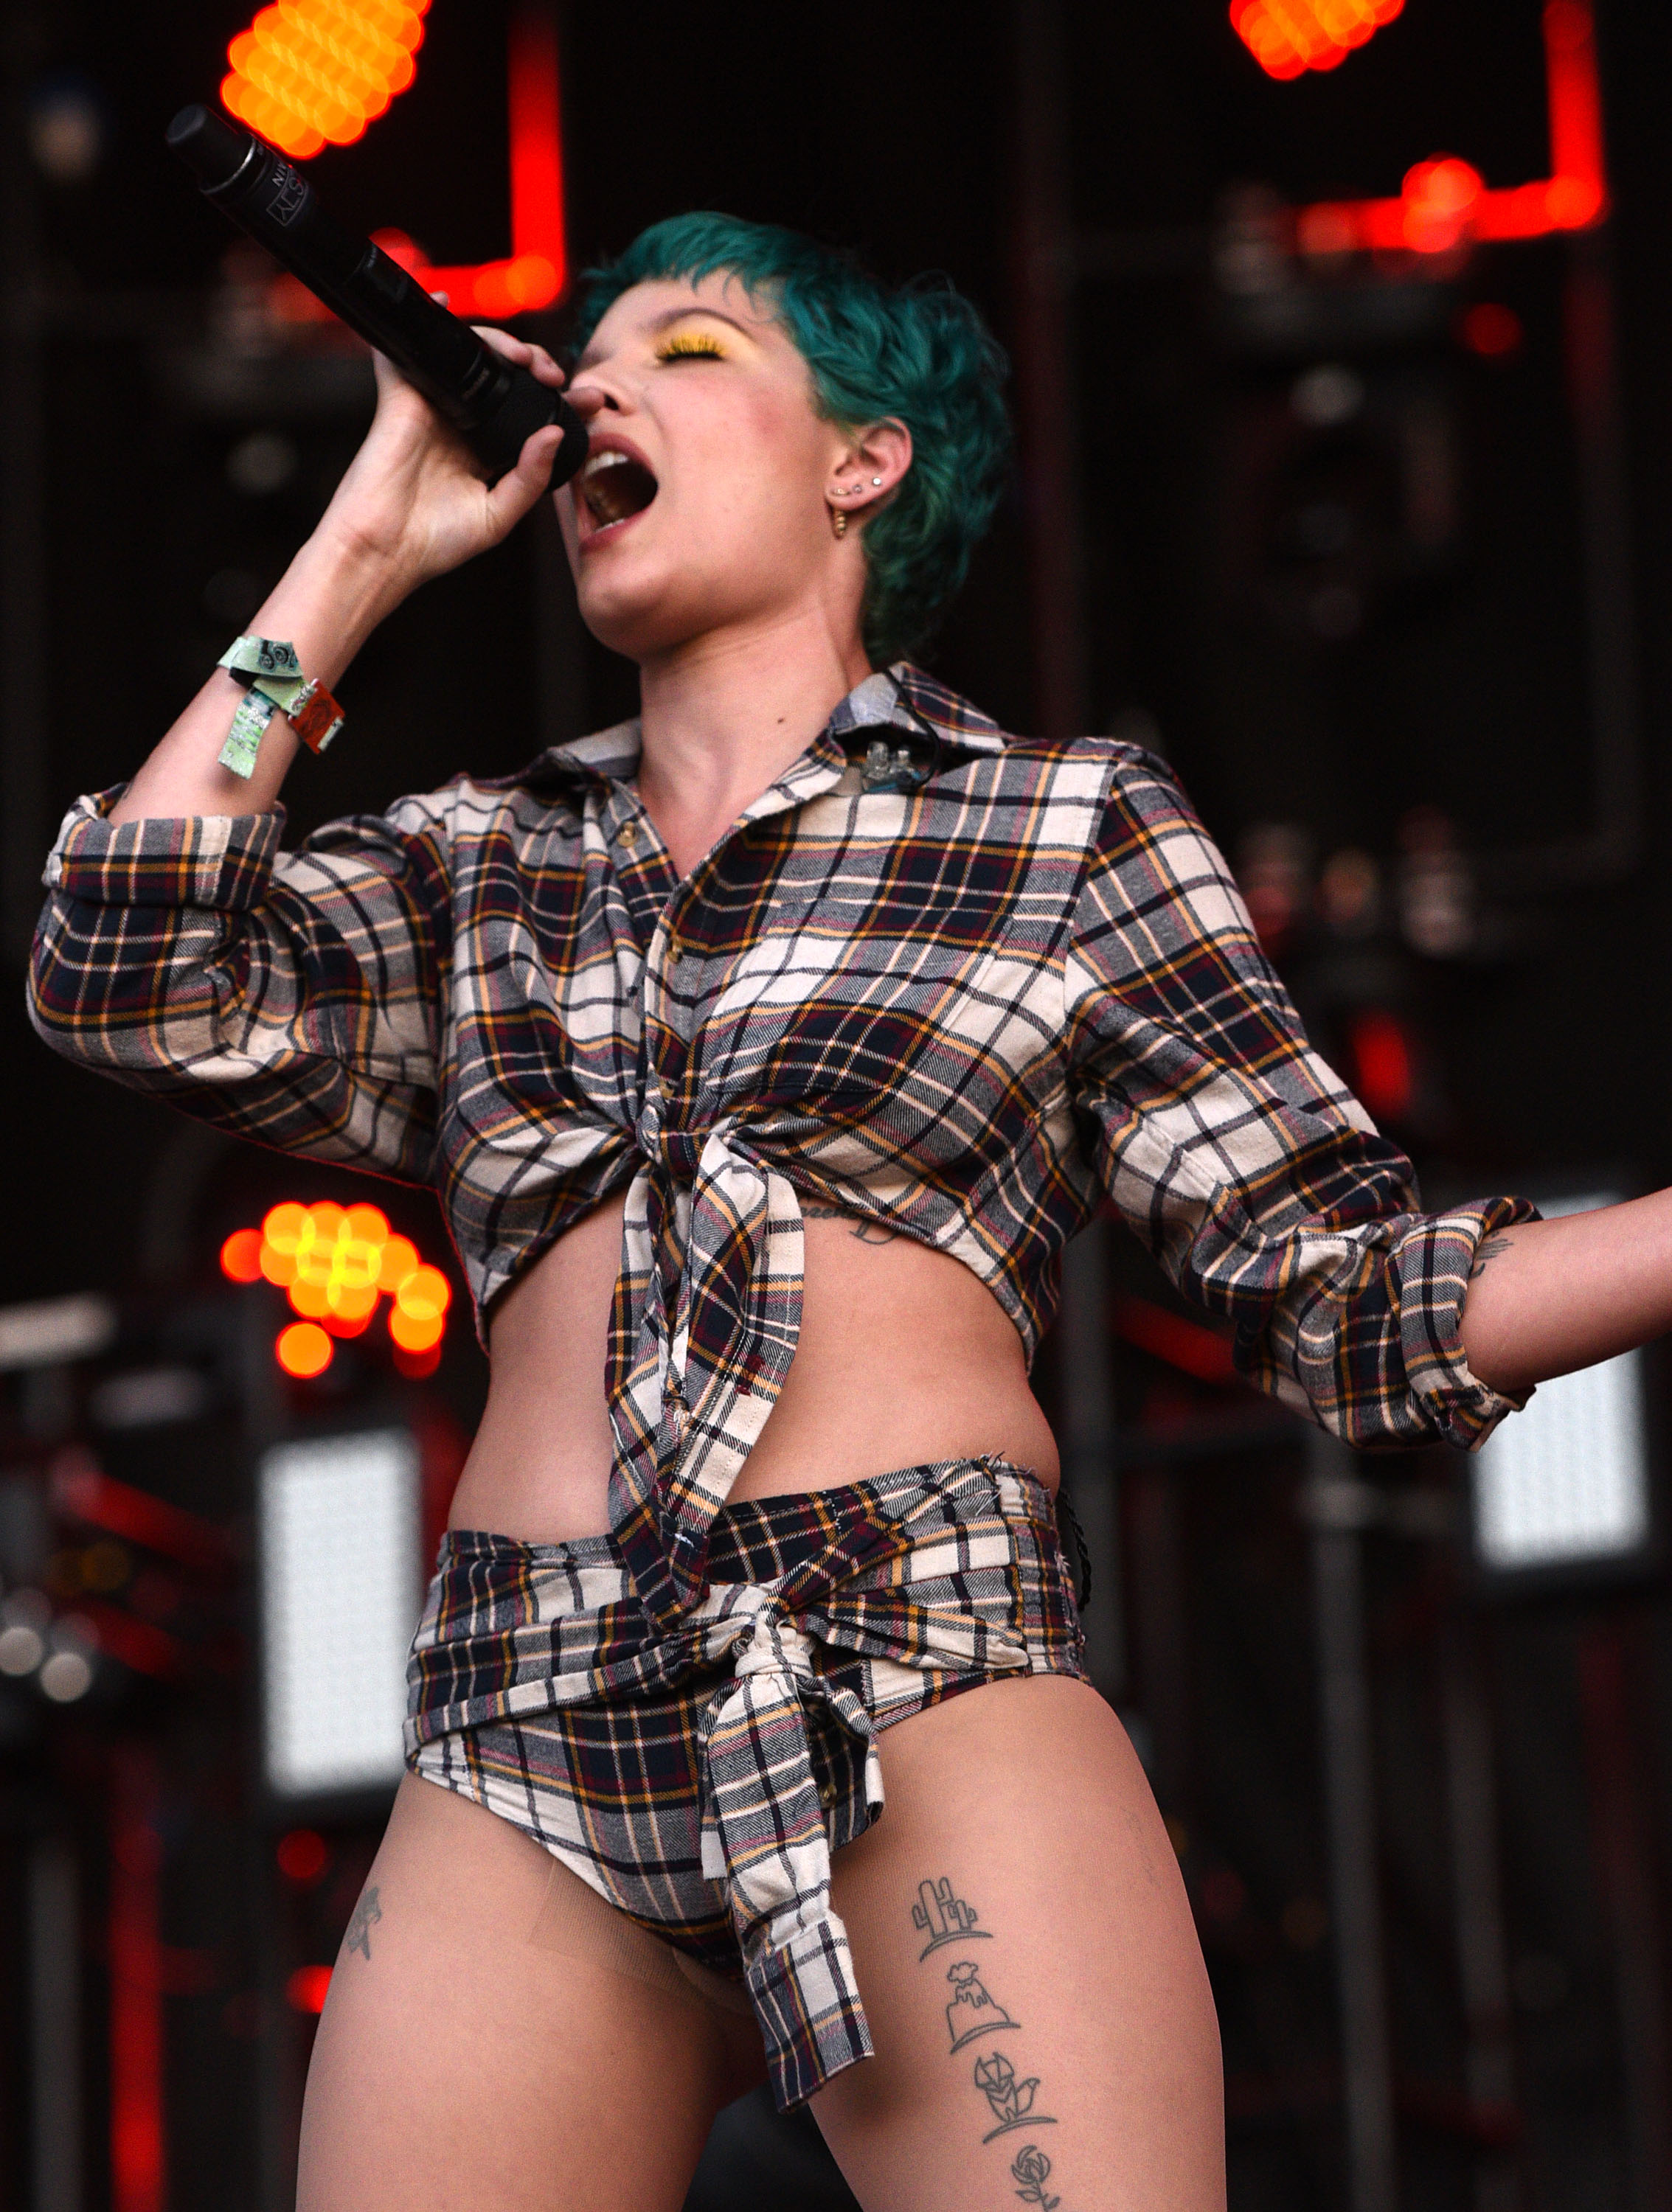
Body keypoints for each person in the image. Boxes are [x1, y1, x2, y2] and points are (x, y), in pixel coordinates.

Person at [27, 212, 1672, 2212]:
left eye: (688, 350)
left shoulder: (1060, 825)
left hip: (918, 1673)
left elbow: (1357, 1305)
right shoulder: (479, 865)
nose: (597, 387)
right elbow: (125, 971)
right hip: (522, 1717)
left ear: (862, 461)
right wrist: (368, 538)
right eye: (585, 360)